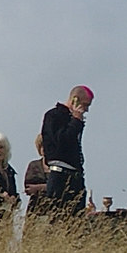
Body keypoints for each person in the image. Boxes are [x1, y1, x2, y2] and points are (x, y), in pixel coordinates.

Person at [33, 87, 93, 219]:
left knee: (76, 220)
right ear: (75, 100)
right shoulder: (54, 116)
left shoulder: (75, 120)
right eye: (85, 105)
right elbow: (61, 141)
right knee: (58, 219)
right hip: (60, 176)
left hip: (75, 176)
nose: (86, 110)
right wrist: (76, 122)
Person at [23, 135, 48, 209]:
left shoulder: (60, 167)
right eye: (42, 146)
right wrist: (47, 187)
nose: (44, 149)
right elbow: (28, 188)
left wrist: (38, 188)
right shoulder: (34, 165)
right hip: (36, 209)